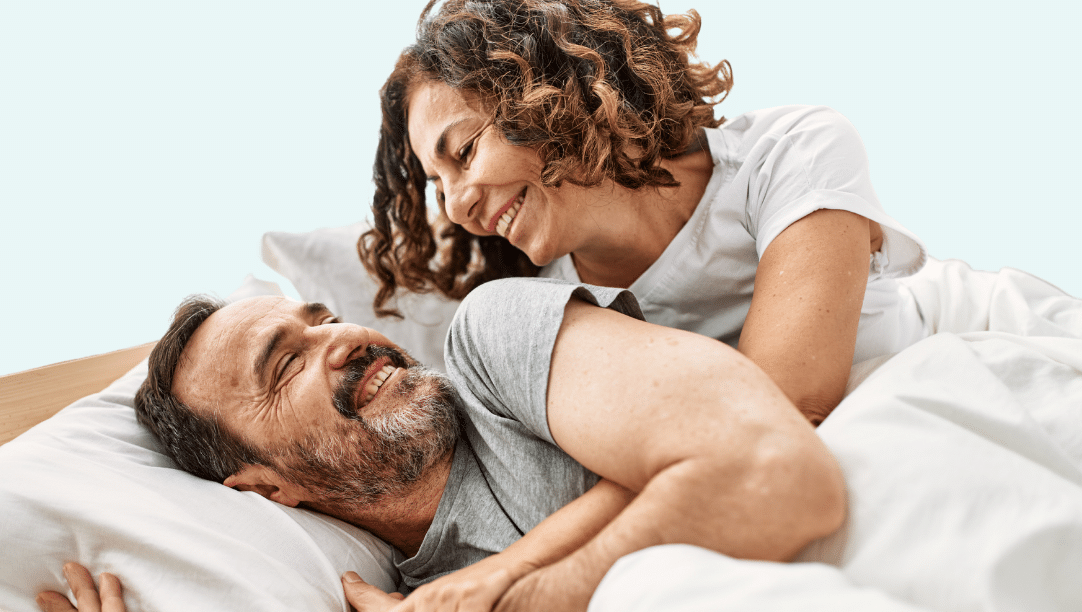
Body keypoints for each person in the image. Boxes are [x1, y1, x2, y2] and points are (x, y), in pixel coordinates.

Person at [360, 0, 1082, 425]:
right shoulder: (550, 310)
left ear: (547, 97)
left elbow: (791, 393)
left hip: (979, 336)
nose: (454, 206)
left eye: (461, 155)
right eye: (435, 184)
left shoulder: (787, 150)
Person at [37, 278, 846, 612]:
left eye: (322, 319)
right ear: (264, 485)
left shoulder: (496, 346)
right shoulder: (400, 606)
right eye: (286, 363)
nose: (343, 338)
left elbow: (777, 478)